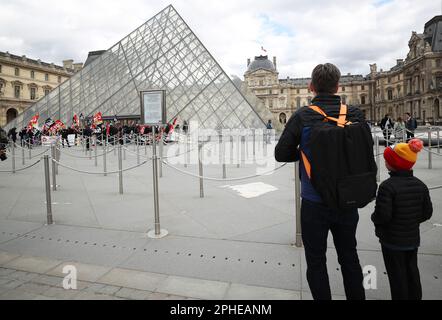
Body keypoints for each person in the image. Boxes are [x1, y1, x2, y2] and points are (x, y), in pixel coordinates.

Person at [275, 63, 367, 300]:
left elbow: (281, 153)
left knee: (316, 261)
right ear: (338, 86)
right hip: (348, 198)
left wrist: (306, 153)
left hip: (314, 202)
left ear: (311, 87)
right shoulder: (355, 114)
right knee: (350, 257)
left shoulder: (303, 116)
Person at [371, 139, 432, 300]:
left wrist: (374, 219)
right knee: (412, 271)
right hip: (412, 238)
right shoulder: (420, 185)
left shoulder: (387, 186)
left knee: (396, 276)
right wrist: (410, 221)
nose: (385, 162)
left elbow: (383, 215)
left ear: (393, 164)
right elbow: (427, 212)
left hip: (392, 240)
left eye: (387, 160)